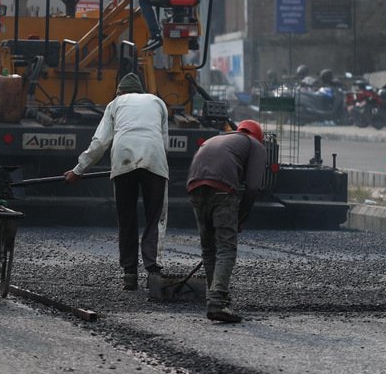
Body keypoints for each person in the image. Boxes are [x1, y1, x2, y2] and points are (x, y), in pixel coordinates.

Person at [65, 73, 170, 290]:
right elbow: (164, 141)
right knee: (155, 217)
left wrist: (78, 169)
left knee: (127, 217)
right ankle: (153, 271)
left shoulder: (115, 104)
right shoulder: (157, 102)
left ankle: (129, 274)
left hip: (123, 159)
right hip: (154, 157)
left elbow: (100, 142)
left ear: (120, 92)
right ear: (140, 91)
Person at [186, 119, 268, 323]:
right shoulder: (255, 145)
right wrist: (241, 217)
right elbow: (253, 187)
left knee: (209, 249)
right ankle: (217, 301)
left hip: (195, 188)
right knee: (226, 248)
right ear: (258, 136)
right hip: (222, 190)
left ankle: (217, 298)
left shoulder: (218, 139)